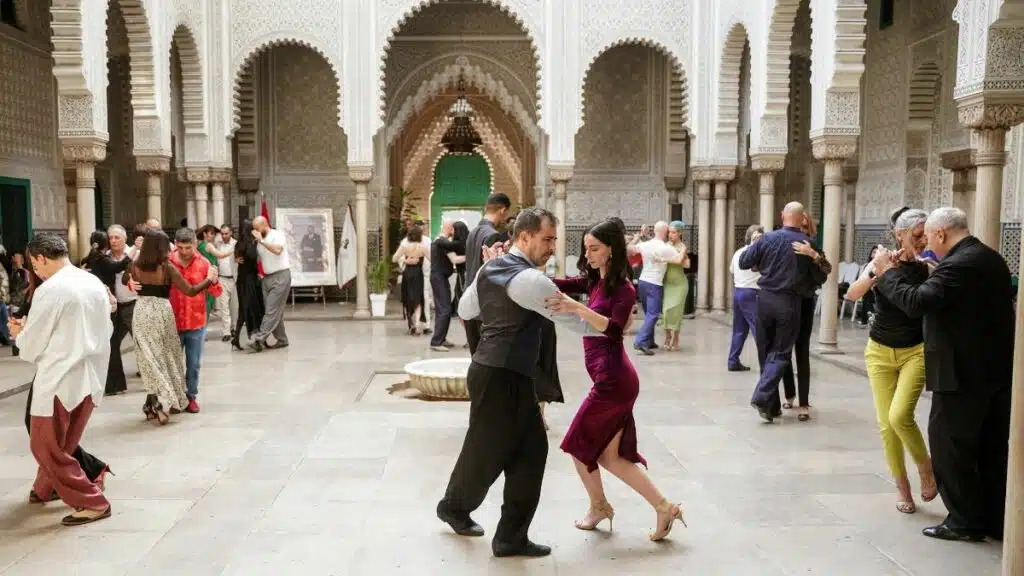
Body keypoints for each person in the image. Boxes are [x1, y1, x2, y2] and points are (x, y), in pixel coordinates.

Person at [438, 208, 580, 558]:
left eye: (554, 240)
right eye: (547, 239)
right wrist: (609, 325)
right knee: (487, 450)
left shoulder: (492, 267)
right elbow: (576, 322)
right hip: (502, 375)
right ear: (524, 237)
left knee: (529, 450)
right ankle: (457, 508)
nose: (552, 247)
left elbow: (468, 310)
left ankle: (509, 536)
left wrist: (489, 274)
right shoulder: (531, 279)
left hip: (496, 371)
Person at [873, 206, 1012, 542]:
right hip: (992, 370)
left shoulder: (960, 264)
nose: (929, 244)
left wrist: (887, 273)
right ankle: (991, 517)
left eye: (930, 236)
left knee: (950, 447)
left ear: (941, 233)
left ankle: (964, 521)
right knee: (988, 449)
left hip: (962, 374)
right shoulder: (990, 258)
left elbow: (918, 302)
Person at [547, 220, 685, 542]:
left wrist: (577, 309)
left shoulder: (623, 288)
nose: (589, 254)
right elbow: (560, 284)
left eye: (594, 248)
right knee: (611, 457)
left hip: (613, 382)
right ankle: (664, 507)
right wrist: (515, 271)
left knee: (578, 447)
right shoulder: (595, 281)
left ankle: (599, 507)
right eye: (586, 249)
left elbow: (613, 329)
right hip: (610, 378)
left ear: (611, 249)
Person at [7, 234, 113, 526]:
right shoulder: (91, 281)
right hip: (90, 374)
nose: (35, 271)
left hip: (59, 376)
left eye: (33, 264)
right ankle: (45, 489)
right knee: (64, 443)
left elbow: (31, 346)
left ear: (40, 258)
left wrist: (19, 334)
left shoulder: (51, 289)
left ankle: (92, 502)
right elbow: (107, 325)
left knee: (45, 446)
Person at [845, 208, 938, 515]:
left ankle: (926, 469)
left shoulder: (927, 267)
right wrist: (878, 270)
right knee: (887, 426)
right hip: (879, 351)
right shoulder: (880, 264)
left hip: (915, 351)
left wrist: (929, 266)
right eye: (917, 235)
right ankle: (903, 489)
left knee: (900, 416)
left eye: (926, 234)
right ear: (900, 235)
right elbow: (852, 294)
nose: (923, 240)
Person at [738, 202, 826, 422]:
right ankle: (762, 397)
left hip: (765, 300)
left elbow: (743, 262)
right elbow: (822, 276)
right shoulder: (808, 244)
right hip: (789, 302)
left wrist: (757, 251)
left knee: (765, 353)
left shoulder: (767, 239)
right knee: (781, 352)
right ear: (801, 218)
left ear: (782, 216)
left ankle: (770, 407)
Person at [124, 229, 217, 423]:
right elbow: (190, 291)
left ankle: (152, 403)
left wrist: (130, 281)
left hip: (141, 313)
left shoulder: (134, 265)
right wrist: (208, 280)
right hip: (163, 315)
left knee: (150, 359)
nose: (175, 249)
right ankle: (161, 402)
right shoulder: (167, 266)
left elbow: (125, 275)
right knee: (166, 360)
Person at [780, 214, 831, 420]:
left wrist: (813, 255)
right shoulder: (786, 247)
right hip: (785, 302)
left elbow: (825, 271)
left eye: (804, 227)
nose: (800, 230)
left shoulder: (813, 248)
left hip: (805, 302)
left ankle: (803, 403)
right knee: (784, 352)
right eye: (797, 226)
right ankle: (789, 394)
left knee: (801, 351)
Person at [170, 228, 223, 413]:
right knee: (173, 364)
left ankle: (191, 396)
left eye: (188, 247)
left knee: (194, 364)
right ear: (175, 244)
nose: (184, 251)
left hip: (196, 322)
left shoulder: (204, 263)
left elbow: (216, 292)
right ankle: (175, 399)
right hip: (172, 322)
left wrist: (214, 281)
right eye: (180, 247)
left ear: (194, 244)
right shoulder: (168, 262)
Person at [463, 193, 511, 353]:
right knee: (487, 363)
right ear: (503, 210)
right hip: (484, 309)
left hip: (469, 303)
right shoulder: (492, 235)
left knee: (475, 359)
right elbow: (492, 274)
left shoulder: (472, 232)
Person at [627, 222, 678, 355]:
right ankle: (640, 341)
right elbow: (680, 258)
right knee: (653, 314)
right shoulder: (667, 248)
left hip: (643, 282)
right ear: (666, 232)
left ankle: (649, 341)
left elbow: (629, 249)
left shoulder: (646, 245)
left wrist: (639, 237)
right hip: (654, 283)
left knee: (649, 312)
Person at [250, 216, 290, 352]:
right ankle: (282, 340)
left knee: (271, 310)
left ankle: (259, 338)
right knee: (273, 310)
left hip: (281, 276)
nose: (254, 231)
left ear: (264, 225)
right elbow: (259, 259)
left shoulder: (277, 235)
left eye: (256, 228)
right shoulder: (260, 241)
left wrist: (261, 241)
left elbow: (278, 251)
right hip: (267, 278)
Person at [727, 225, 763, 371]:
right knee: (759, 329)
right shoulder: (759, 253)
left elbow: (732, 271)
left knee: (739, 329)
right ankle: (765, 363)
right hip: (752, 293)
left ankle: (733, 361)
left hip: (738, 291)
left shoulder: (738, 252)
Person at [652, 221, 690, 351]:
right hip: (668, 284)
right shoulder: (666, 245)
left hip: (680, 284)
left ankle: (676, 338)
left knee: (677, 312)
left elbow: (681, 261)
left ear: (679, 233)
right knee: (666, 311)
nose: (671, 235)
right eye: (669, 232)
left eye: (673, 232)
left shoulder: (683, 247)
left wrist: (663, 259)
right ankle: (667, 336)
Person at [429, 221, 464, 351]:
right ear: (450, 228)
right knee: (445, 309)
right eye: (454, 229)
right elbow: (455, 260)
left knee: (443, 309)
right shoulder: (442, 242)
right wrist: (471, 256)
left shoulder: (441, 241)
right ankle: (436, 342)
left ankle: (441, 338)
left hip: (440, 277)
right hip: (439, 278)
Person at [232, 219, 265, 350]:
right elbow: (252, 259)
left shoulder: (240, 243)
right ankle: (254, 339)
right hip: (248, 281)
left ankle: (236, 339)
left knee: (244, 310)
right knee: (252, 309)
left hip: (244, 280)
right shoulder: (248, 244)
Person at [395, 226, 428, 335]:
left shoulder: (404, 246)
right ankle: (418, 322)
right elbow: (433, 259)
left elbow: (394, 258)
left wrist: (406, 260)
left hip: (407, 275)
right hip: (418, 275)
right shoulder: (422, 247)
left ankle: (412, 324)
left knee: (408, 297)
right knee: (418, 298)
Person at [214, 225, 239, 342]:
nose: (224, 236)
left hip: (234, 279)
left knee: (234, 306)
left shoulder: (236, 244)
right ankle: (226, 331)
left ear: (231, 233)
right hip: (222, 279)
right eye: (222, 234)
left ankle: (234, 327)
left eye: (226, 234)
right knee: (224, 306)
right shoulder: (217, 245)